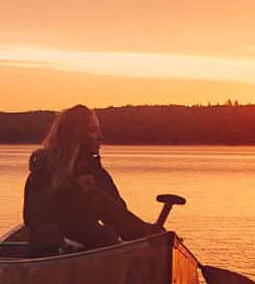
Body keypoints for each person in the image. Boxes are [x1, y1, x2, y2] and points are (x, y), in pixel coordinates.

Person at [23, 105, 160, 253]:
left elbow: (118, 217)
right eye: (93, 130)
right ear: (75, 134)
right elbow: (34, 218)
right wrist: (74, 191)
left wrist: (149, 232)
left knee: (105, 236)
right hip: (50, 253)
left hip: (90, 252)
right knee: (51, 236)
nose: (100, 137)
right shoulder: (42, 172)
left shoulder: (98, 176)